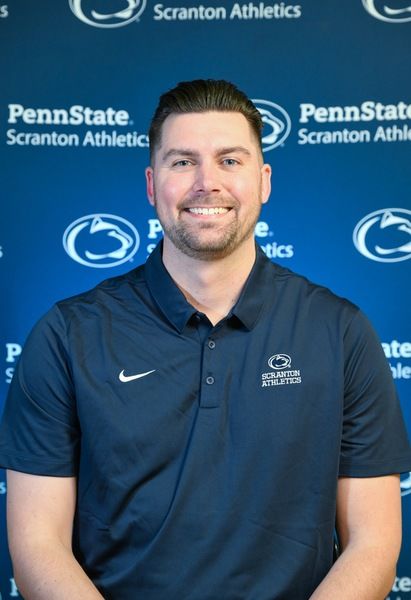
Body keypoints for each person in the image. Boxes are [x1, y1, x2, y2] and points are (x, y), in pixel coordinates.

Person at [1, 79, 411, 600]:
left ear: (263, 181)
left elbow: (373, 544)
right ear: (152, 186)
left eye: (229, 161)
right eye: (182, 162)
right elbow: (38, 544)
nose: (206, 182)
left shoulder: (340, 331)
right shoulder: (66, 336)